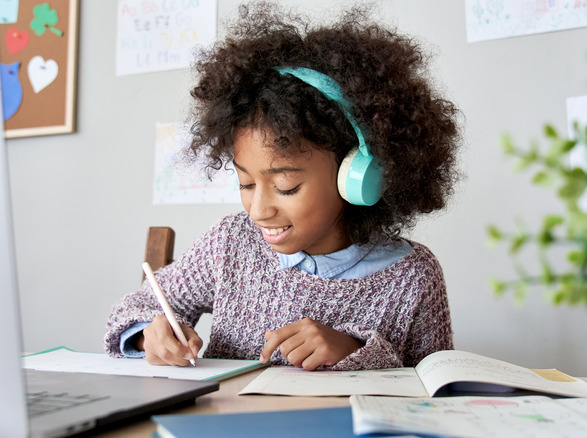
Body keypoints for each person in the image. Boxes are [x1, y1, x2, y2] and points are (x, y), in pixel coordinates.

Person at [104, 1, 462, 371]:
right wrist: (152, 333)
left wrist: (354, 352)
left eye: (286, 186)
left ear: (356, 175)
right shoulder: (231, 244)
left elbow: (435, 388)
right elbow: (136, 307)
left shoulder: (412, 277)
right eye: (245, 183)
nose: (259, 210)